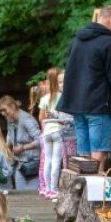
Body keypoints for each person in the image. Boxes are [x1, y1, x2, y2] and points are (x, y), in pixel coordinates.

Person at [58, 5, 111, 174]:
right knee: (99, 152)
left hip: (77, 105)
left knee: (83, 153)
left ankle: (83, 197)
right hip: (99, 105)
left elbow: (70, 71)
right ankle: (94, 197)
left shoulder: (77, 40)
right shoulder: (108, 43)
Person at [0, 96, 42, 191]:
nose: (3, 113)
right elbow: (9, 136)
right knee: (20, 196)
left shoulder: (27, 119)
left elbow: (40, 140)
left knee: (32, 197)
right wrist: (5, 148)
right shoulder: (10, 120)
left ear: (12, 106)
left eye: (5, 110)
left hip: (32, 165)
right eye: (1, 111)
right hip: (19, 165)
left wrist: (23, 147)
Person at [38, 69, 71, 199]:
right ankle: (54, 189)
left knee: (48, 161)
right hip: (57, 131)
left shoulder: (45, 98)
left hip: (46, 132)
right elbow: (63, 118)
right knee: (56, 161)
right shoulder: (63, 97)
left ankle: (46, 188)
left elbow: (41, 118)